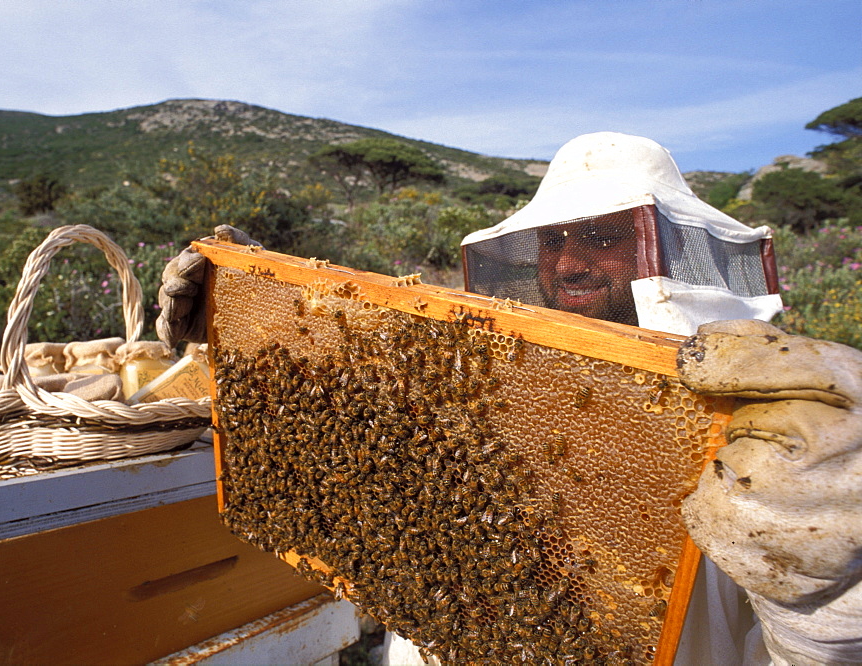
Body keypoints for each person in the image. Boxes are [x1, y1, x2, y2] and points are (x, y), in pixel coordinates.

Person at [156, 133, 861, 665]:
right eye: (552, 239)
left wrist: (821, 604)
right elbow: (356, 436)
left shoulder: (768, 423)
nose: (567, 261)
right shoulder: (491, 377)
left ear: (665, 252)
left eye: (602, 238)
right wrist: (259, 308)